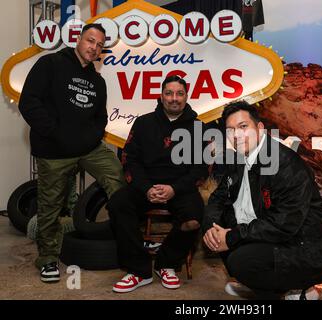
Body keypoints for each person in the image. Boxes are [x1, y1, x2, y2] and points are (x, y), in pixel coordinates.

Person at [18, 24, 126, 283]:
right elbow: (28, 102)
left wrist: (91, 137)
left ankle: (126, 240)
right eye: (91, 41)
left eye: (100, 45)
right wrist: (55, 132)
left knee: (117, 177)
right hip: (54, 150)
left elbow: (100, 118)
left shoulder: (98, 81)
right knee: (50, 205)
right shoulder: (51, 64)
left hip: (88, 148)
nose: (94, 48)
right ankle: (47, 259)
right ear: (78, 39)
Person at [202, 101, 322, 300]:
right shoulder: (238, 158)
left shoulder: (285, 163)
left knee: (240, 261)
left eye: (243, 127)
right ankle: (263, 285)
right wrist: (211, 229)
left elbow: (284, 224)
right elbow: (219, 197)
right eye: (230, 130)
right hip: (263, 234)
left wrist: (231, 237)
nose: (236, 135)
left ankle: (298, 287)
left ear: (260, 128)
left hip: (299, 247)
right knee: (222, 231)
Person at [108, 76, 208, 293]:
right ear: (161, 96)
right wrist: (146, 188)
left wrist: (174, 189)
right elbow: (129, 159)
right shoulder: (144, 123)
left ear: (186, 97)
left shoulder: (199, 127)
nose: (174, 98)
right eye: (169, 93)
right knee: (118, 204)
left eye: (179, 94)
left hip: (180, 189)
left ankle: (167, 264)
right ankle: (138, 270)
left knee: (193, 219)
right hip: (146, 187)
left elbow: (201, 169)